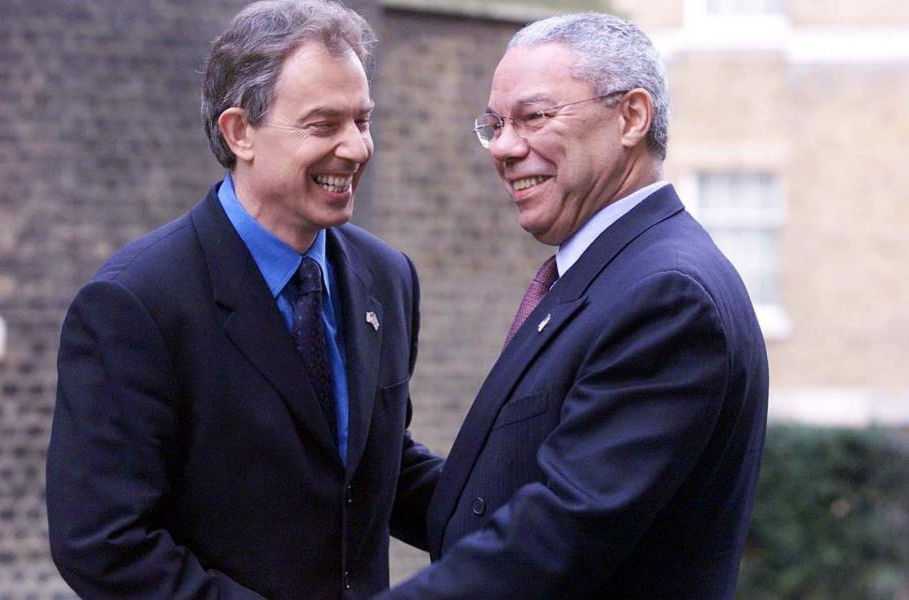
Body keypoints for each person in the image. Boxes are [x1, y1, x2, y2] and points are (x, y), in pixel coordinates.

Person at [46, 1, 441, 598]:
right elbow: (105, 543)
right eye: (324, 124)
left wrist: (531, 517)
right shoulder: (136, 304)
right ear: (240, 133)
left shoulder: (386, 277)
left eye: (362, 121)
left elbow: (374, 469)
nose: (357, 149)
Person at [376, 12, 769, 600]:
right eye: (494, 125)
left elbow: (554, 539)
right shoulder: (609, 270)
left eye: (534, 117)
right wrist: (347, 448)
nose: (504, 148)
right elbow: (494, 501)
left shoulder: (667, 296)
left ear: (632, 117)